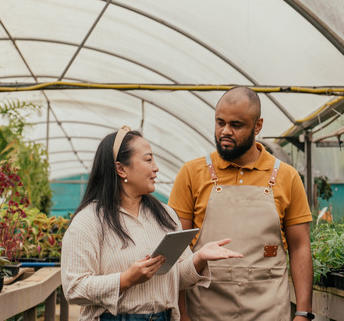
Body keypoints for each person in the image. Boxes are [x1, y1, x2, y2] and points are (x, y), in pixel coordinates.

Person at [62, 126, 243, 321]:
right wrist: (125, 280)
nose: (156, 167)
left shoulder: (165, 216)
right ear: (121, 168)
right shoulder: (89, 221)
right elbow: (74, 289)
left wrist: (199, 258)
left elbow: (177, 279)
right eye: (148, 160)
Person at [168, 87, 314, 321]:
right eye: (220, 122)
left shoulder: (287, 177)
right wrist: (181, 314)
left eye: (236, 125)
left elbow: (300, 247)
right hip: (205, 310)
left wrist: (303, 313)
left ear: (258, 126)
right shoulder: (191, 173)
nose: (225, 131)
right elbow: (178, 249)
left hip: (269, 310)